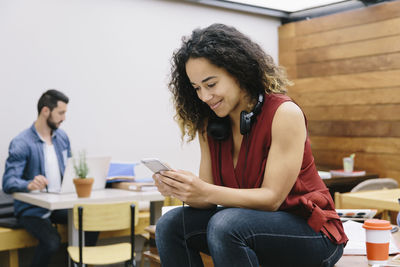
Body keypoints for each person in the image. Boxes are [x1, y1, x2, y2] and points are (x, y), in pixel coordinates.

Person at [153, 24, 348, 267]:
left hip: (312, 232)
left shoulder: (284, 114)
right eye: (196, 89)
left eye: (211, 84)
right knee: (170, 225)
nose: (204, 96)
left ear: (238, 71)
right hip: (248, 228)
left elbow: (272, 199)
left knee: (226, 224)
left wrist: (204, 190)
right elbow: (208, 198)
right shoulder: (209, 125)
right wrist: (180, 188)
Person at [2, 89, 97, 267]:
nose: (64, 118)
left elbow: (69, 168)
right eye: (61, 113)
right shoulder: (22, 142)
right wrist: (29, 184)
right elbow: (8, 182)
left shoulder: (62, 137)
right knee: (51, 241)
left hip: (58, 204)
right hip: (31, 209)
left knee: (91, 223)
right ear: (45, 111)